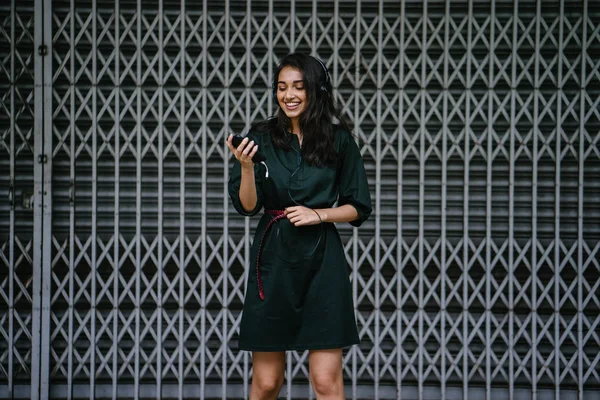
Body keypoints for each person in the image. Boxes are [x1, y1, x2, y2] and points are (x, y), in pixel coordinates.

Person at [226, 52, 372, 400]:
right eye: (281, 87)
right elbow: (248, 206)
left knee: (325, 382)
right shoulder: (260, 136)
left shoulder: (340, 141)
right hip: (273, 262)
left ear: (316, 90)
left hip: (323, 263)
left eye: (298, 87)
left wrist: (318, 214)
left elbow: (358, 206)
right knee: (265, 384)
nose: (289, 95)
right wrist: (246, 167)